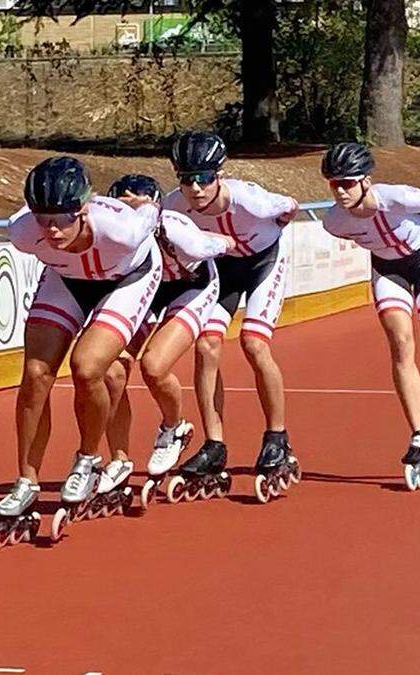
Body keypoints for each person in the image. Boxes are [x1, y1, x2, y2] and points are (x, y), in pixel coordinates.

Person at [0, 157, 162, 550]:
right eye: (44, 219)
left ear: (83, 209)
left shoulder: (123, 229)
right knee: (36, 374)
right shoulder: (23, 232)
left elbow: (151, 209)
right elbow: (39, 228)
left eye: (62, 219)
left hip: (128, 278)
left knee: (86, 367)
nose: (53, 229)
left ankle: (88, 458)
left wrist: (141, 205)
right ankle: (26, 481)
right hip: (67, 280)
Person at [318, 142, 420, 490]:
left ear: (366, 180)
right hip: (387, 270)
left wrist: (414, 232)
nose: (340, 191)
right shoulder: (334, 221)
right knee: (400, 342)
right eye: (334, 184)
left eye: (347, 183)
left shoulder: (398, 198)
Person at [161, 130, 303, 502]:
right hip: (221, 269)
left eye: (204, 177)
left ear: (219, 174)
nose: (195, 188)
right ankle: (214, 444)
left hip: (263, 263)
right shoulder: (175, 204)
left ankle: (277, 436)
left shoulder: (251, 200)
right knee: (206, 346)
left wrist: (273, 229)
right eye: (186, 178)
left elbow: (290, 207)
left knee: (254, 344)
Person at [96, 174, 238, 507]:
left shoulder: (174, 228)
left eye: (137, 207)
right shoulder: (111, 233)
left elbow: (215, 246)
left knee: (154, 366)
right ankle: (119, 459)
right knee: (111, 372)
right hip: (146, 288)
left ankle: (173, 427)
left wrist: (223, 241)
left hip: (191, 286)